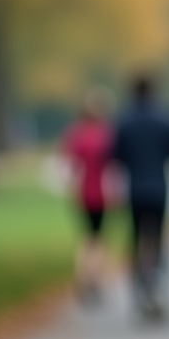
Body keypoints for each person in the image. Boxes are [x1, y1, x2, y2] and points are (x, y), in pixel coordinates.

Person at [110, 73, 169, 321]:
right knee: (158, 237)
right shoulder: (165, 118)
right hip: (159, 187)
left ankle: (139, 287)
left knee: (136, 237)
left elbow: (116, 154)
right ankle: (158, 285)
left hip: (135, 189)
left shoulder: (124, 121)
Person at [62, 87, 114, 305]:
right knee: (97, 237)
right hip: (99, 192)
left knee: (87, 238)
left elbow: (69, 167)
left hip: (84, 192)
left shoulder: (76, 134)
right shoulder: (106, 134)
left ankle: (86, 277)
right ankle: (94, 279)